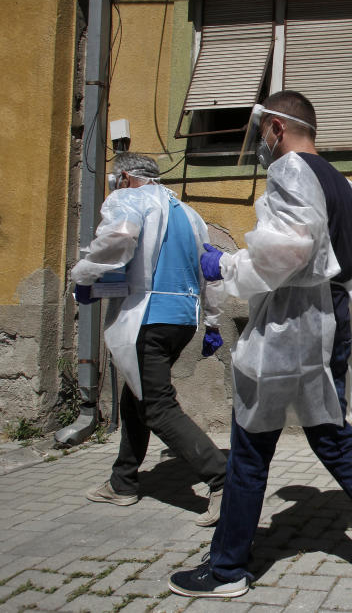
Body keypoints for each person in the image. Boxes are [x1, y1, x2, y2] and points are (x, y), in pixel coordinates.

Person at [168, 91, 352, 599]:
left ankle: (227, 570)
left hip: (292, 323)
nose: (260, 146)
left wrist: (224, 266)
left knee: (249, 444)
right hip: (329, 316)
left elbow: (287, 250)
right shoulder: (345, 185)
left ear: (275, 127)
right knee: (332, 438)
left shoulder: (290, 170)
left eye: (260, 134)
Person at [72, 152, 227, 527]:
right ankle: (122, 481)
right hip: (182, 320)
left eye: (114, 179)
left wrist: (85, 275)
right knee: (135, 395)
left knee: (157, 406)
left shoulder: (130, 199)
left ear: (125, 176)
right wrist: (213, 322)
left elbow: (117, 241)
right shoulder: (189, 215)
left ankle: (224, 478)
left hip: (149, 319)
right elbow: (211, 271)